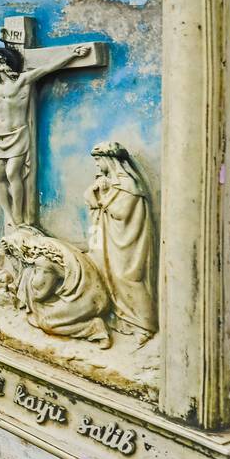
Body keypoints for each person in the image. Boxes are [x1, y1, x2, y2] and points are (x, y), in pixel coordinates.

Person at [0, 42, 91, 228]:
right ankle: (9, 216)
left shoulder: (22, 81)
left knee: (11, 173)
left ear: (1, 66)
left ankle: (18, 212)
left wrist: (72, 55)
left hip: (17, 134)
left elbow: (48, 67)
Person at [86, 141, 157, 339]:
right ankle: (123, 320)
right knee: (110, 277)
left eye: (99, 160)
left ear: (110, 160)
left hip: (127, 244)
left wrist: (102, 198)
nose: (97, 165)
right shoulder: (111, 184)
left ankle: (145, 325)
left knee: (128, 278)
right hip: (111, 240)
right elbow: (93, 202)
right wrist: (98, 192)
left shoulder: (129, 186)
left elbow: (121, 212)